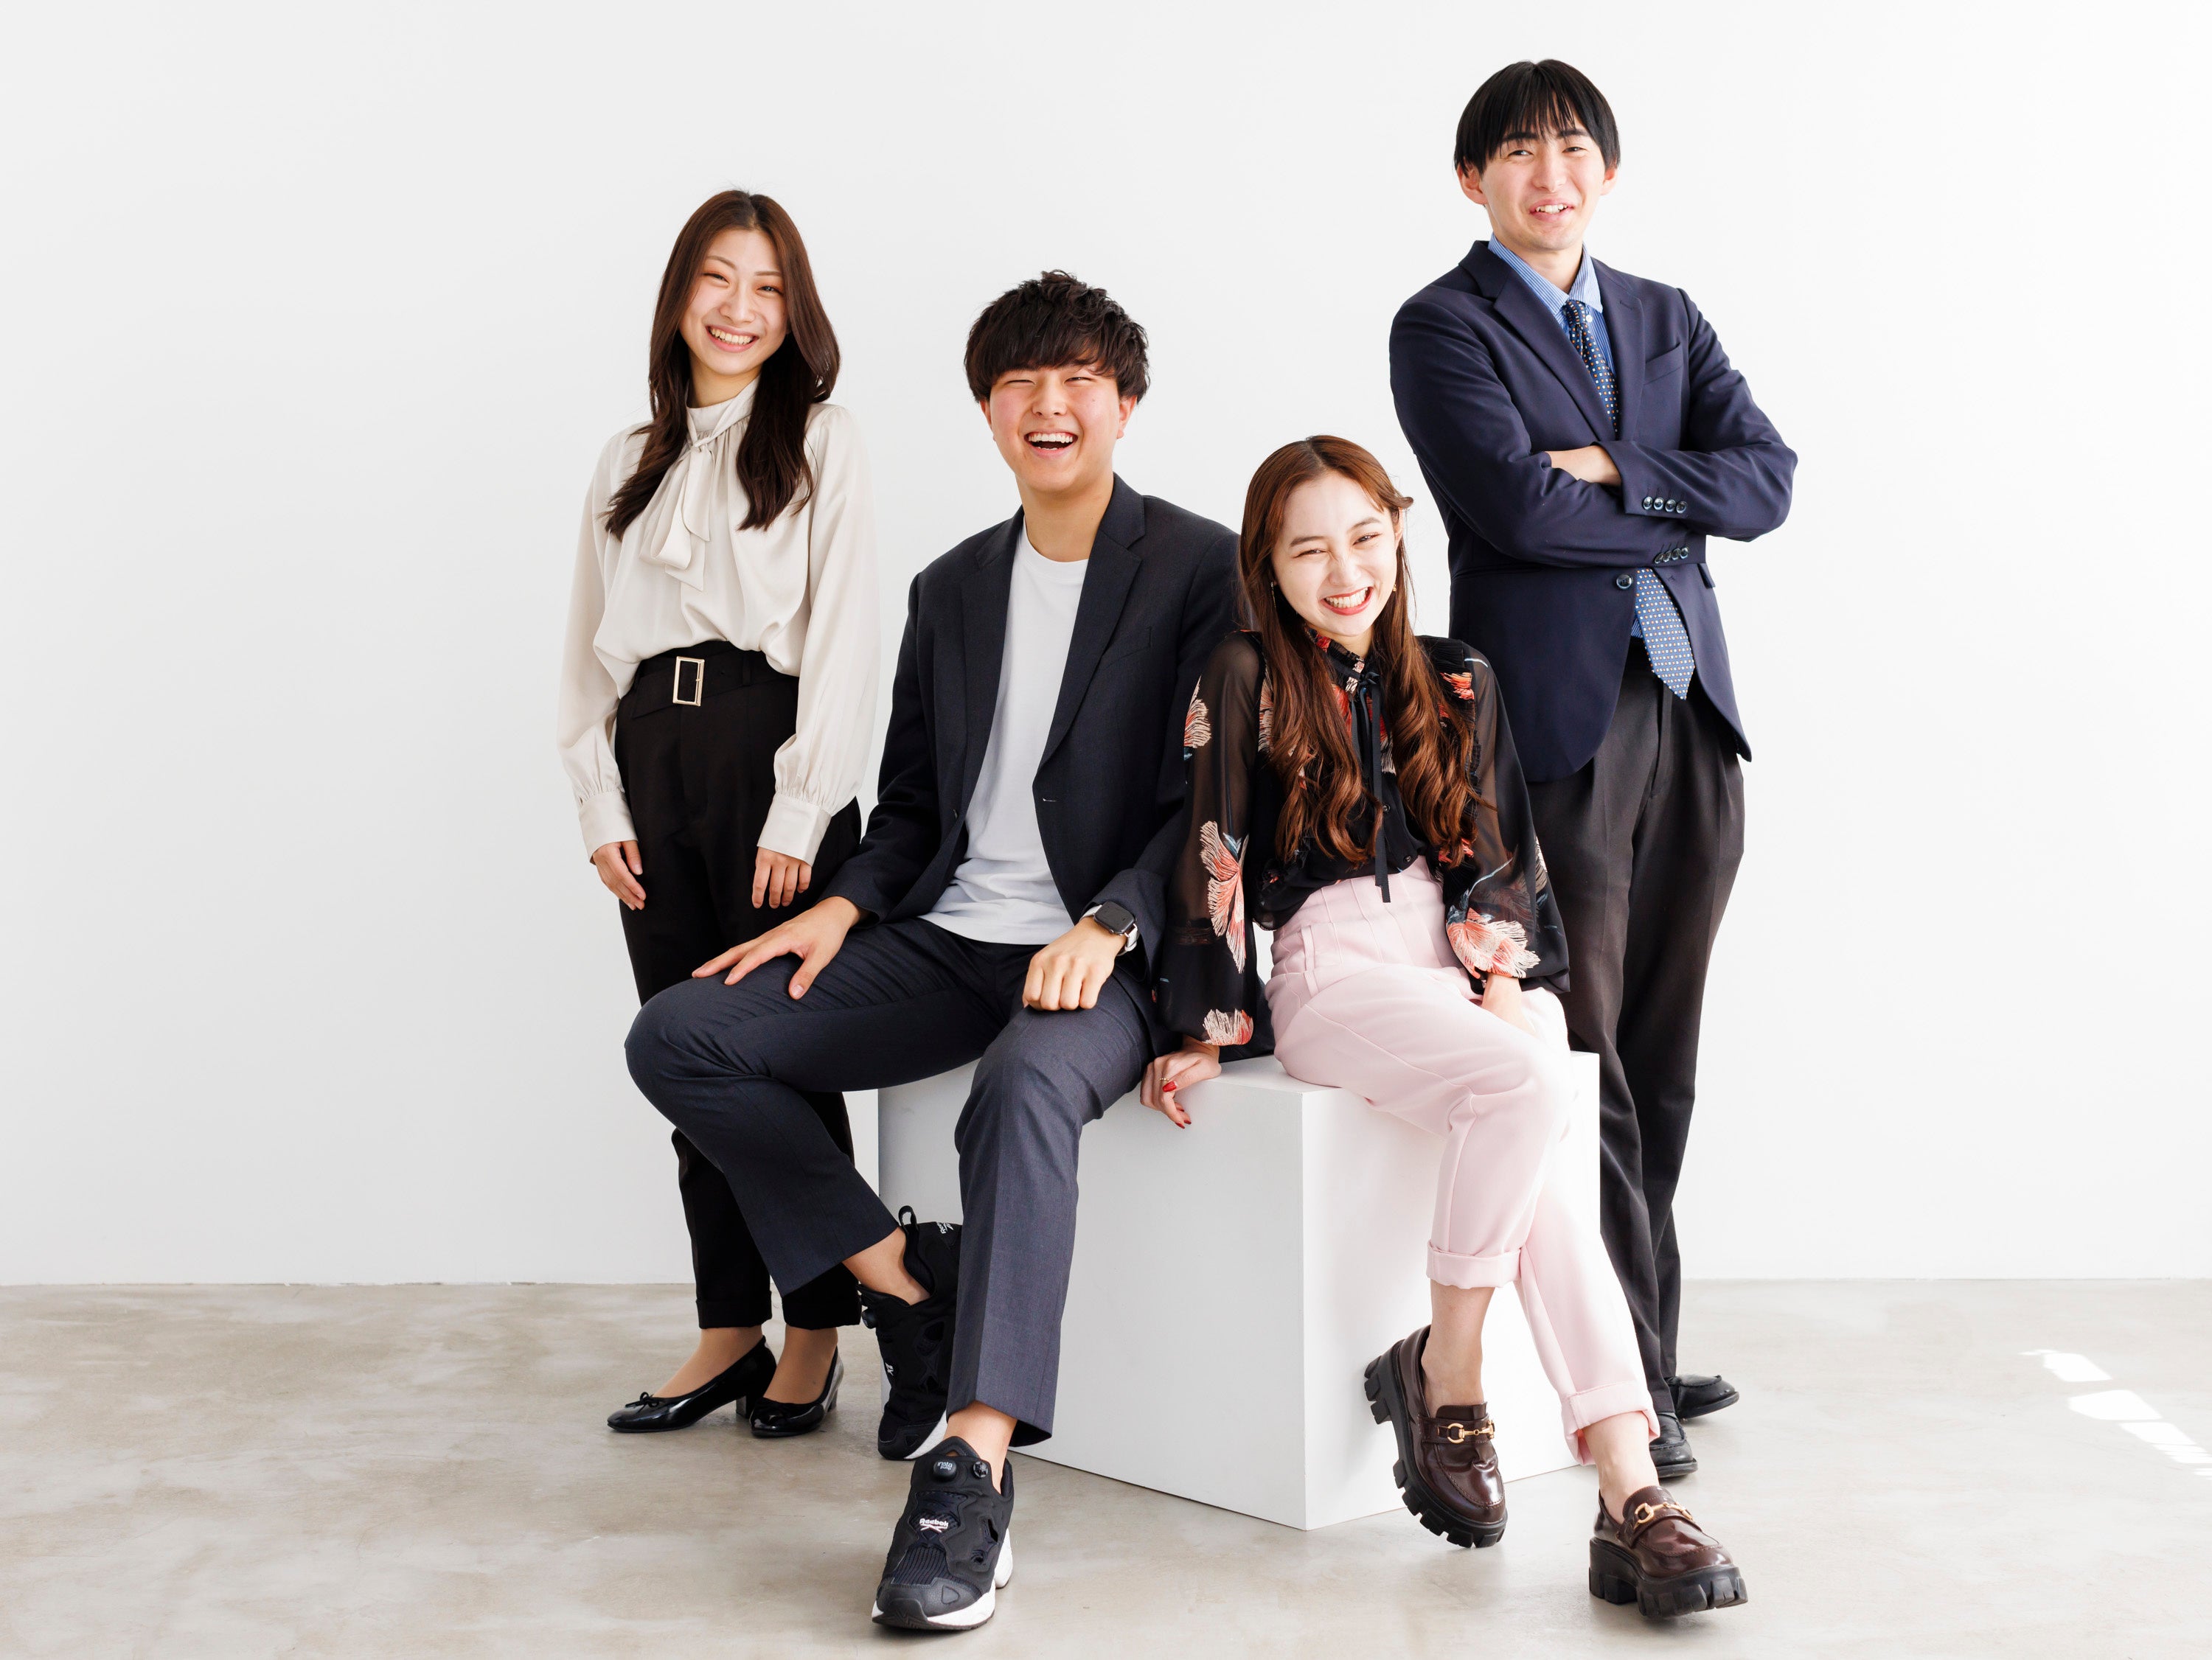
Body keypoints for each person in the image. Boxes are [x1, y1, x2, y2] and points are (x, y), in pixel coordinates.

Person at [622, 271, 1240, 1632]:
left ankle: (972, 1463)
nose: (1049, 404)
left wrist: (1113, 920)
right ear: (987, 411)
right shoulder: (951, 586)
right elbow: (912, 807)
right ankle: (905, 1284)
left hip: (1101, 954)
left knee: (1017, 1090)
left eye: (1079, 380)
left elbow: (1213, 797)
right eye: (1020, 383)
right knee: (683, 1033)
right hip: (944, 937)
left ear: (1125, 405)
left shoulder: (1202, 566)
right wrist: (843, 905)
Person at [1145, 436, 1745, 1619]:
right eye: (1309, 551)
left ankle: (1628, 1488)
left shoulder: (1456, 673)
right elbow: (1214, 848)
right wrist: (1206, 1022)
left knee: (1544, 1157)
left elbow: (1497, 843)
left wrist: (1506, 975)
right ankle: (1450, 1369)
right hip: (1332, 971)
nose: (1344, 572)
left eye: (1365, 538)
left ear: (1398, 534)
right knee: (1530, 1091)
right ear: (1269, 563)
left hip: (1454, 970)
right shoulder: (1242, 673)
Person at [1388, 60, 1796, 1476]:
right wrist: (1677, 498)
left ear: (1607, 172)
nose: (1547, 175)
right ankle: (1629, 1390)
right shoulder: (1445, 324)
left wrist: (1614, 469)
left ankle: (1650, 1342)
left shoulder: (1665, 314)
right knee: (1590, 1048)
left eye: (1571, 150)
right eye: (1517, 152)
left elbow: (1769, 478)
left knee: (1665, 1052)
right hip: (1558, 729)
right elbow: (1515, 513)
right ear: (1473, 179)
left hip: (1692, 714)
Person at [557, 190, 878, 1439]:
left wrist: (803, 807)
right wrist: (598, 797)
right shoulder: (625, 459)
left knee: (781, 1055)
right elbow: (584, 645)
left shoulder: (824, 442)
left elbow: (847, 637)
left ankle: (818, 1329)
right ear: (680, 293)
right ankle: (728, 1326)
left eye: (769, 287)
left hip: (770, 756)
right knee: (683, 1056)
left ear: (795, 309)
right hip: (653, 759)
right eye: (718, 278)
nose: (741, 309)